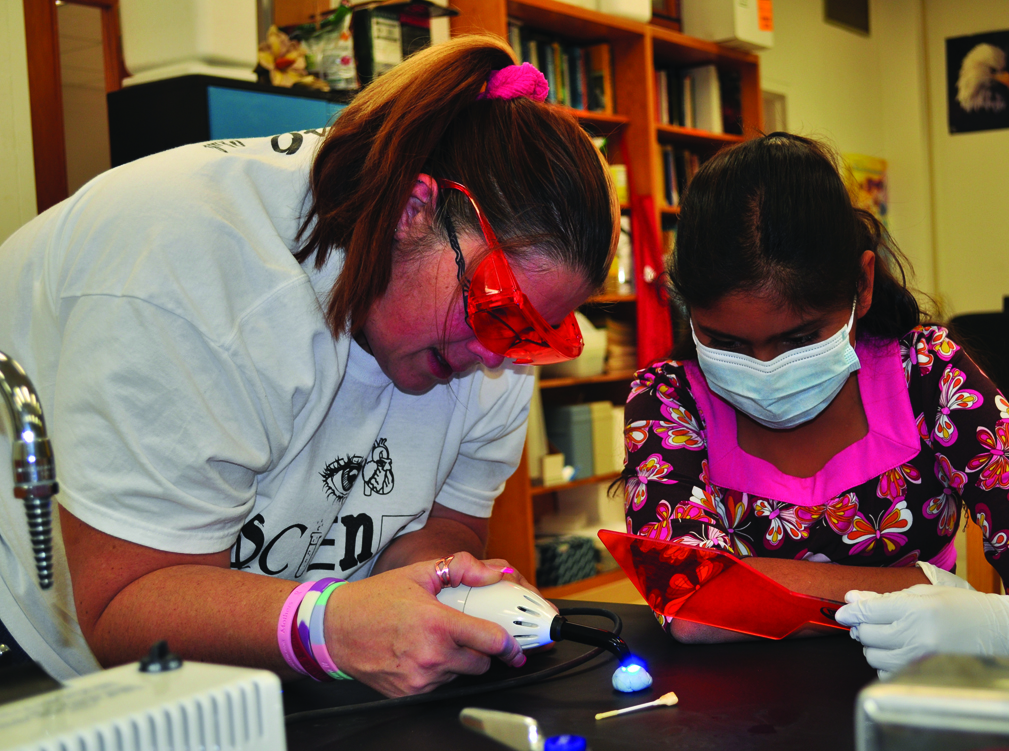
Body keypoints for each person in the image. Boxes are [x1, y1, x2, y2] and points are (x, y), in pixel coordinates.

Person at [0, 35, 617, 696]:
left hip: (274, 653)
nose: (497, 354)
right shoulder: (192, 274)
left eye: (534, 332)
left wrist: (447, 591)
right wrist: (328, 625)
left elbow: (445, 524)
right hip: (40, 642)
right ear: (412, 209)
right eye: (498, 310)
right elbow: (122, 607)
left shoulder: (485, 346)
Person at [621, 133, 1009, 675]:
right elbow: (692, 601)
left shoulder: (926, 375)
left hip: (919, 707)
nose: (765, 368)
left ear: (861, 285)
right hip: (744, 723)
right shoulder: (670, 399)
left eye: (798, 339)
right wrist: (922, 587)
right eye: (726, 343)